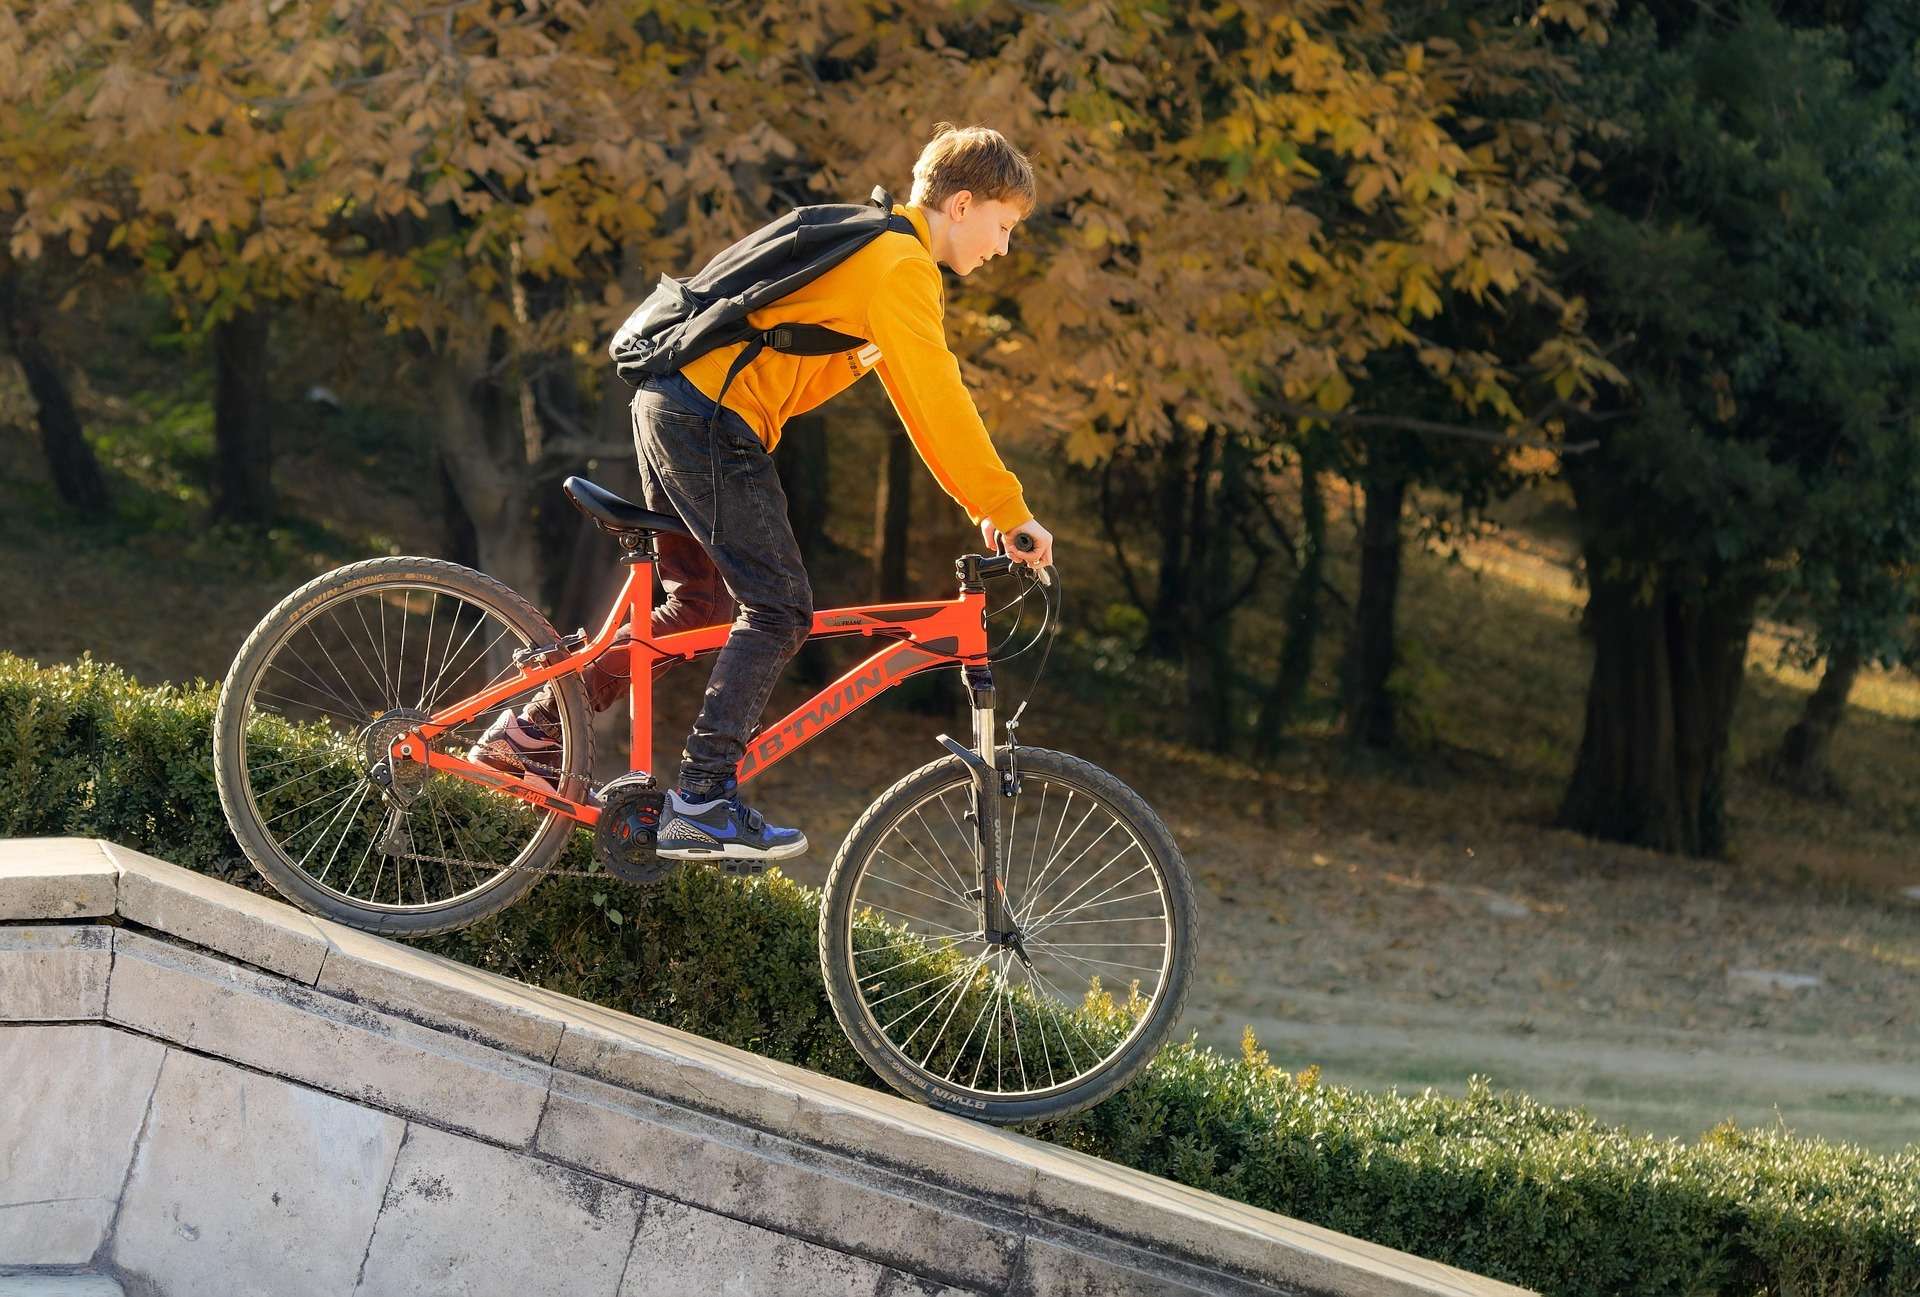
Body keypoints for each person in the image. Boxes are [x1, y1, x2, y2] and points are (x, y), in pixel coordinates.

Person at [470, 123, 1054, 862]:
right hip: (708, 420)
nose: (1003, 247)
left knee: (699, 608)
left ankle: (527, 736)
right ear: (962, 204)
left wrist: (986, 506)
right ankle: (702, 798)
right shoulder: (900, 265)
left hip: (676, 405)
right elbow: (941, 398)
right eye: (1003, 226)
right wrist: (1007, 508)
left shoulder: (877, 248)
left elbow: (918, 407)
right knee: (779, 606)